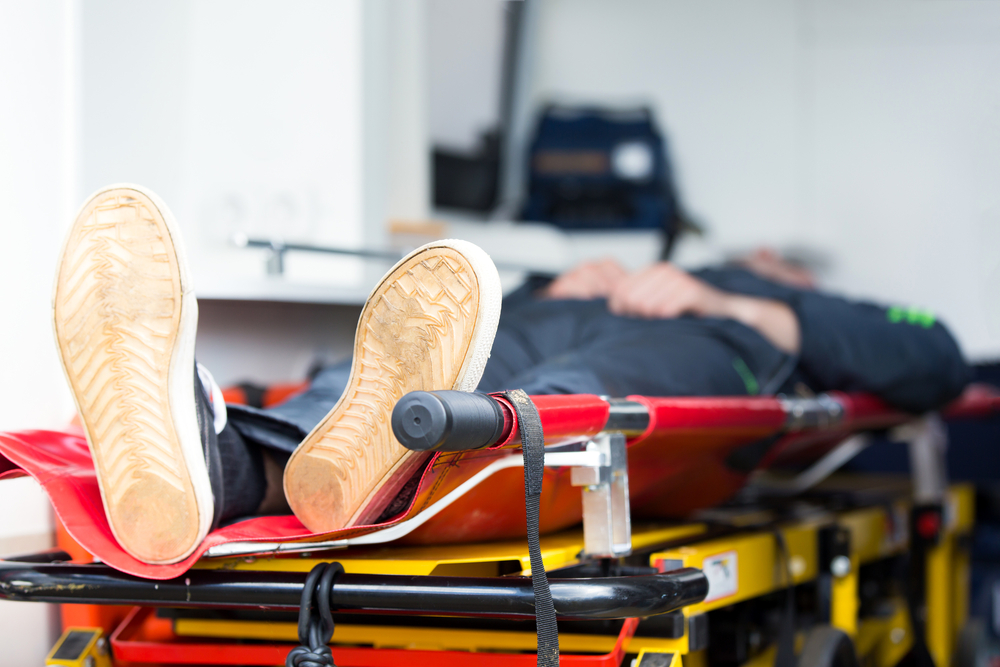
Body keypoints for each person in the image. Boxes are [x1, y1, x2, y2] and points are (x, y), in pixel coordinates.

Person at [52, 185, 971, 565]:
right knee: (419, 367)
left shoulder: (782, 305)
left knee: (573, 382)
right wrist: (554, 282)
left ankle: (355, 457)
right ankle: (221, 465)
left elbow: (935, 356)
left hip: (709, 349)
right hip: (556, 306)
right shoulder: (619, 270)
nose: (766, 255)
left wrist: (761, 305)